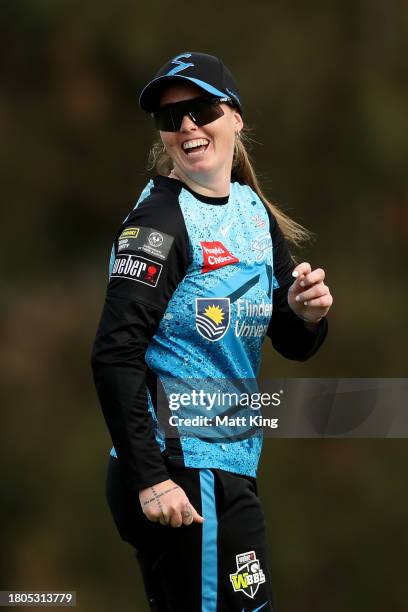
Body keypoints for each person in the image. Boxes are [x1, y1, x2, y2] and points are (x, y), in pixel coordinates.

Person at [91, 51, 333, 612]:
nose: (187, 127)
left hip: (225, 466)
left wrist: (305, 313)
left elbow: (292, 343)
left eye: (200, 109)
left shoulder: (251, 212)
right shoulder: (160, 222)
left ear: (236, 118)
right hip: (180, 471)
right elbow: (114, 355)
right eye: (170, 118)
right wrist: (152, 480)